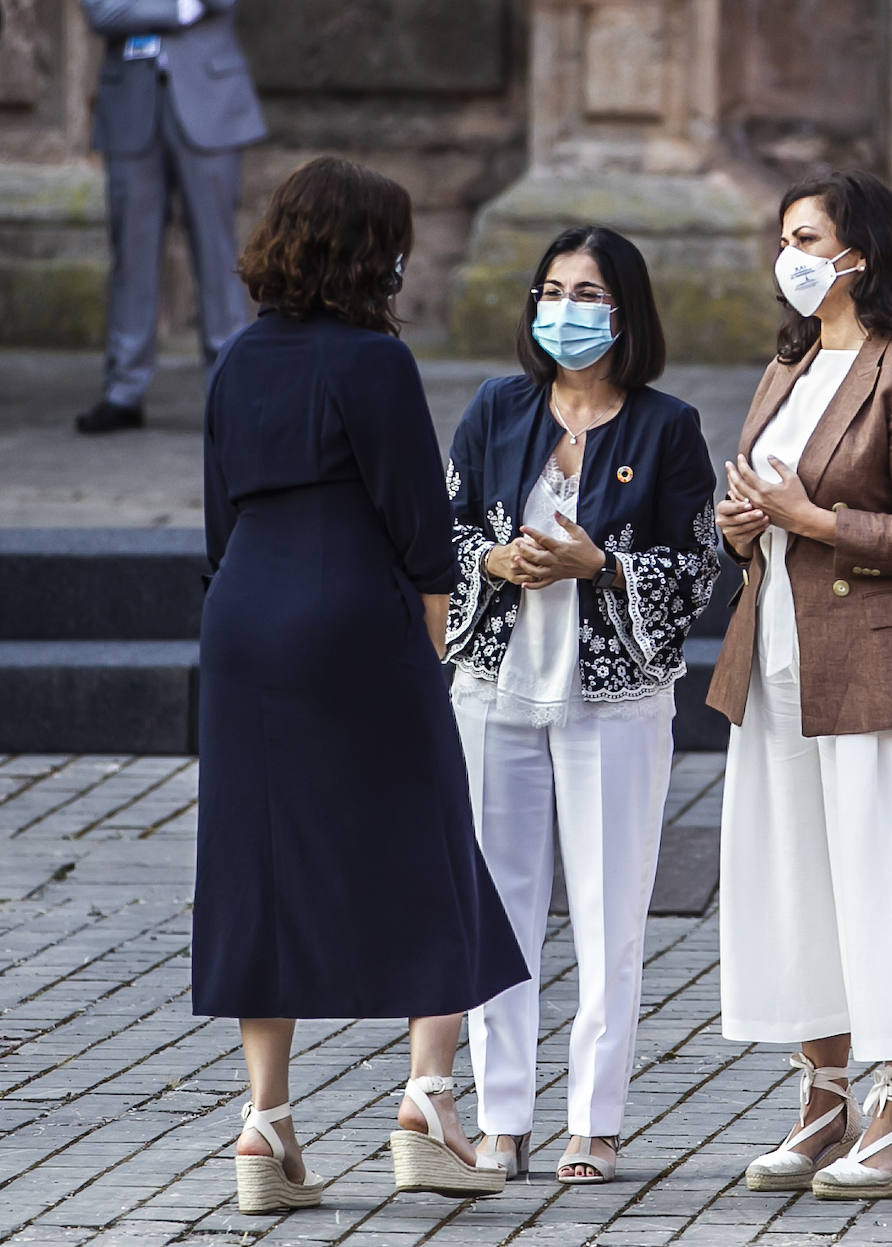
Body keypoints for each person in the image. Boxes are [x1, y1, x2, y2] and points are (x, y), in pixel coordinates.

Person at [192, 157, 527, 1215]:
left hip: (243, 618)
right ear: (368, 251)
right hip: (355, 618)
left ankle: (265, 1121)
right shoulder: (375, 361)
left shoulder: (234, 358)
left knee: (260, 856)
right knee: (430, 843)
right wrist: (432, 657)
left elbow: (216, 522)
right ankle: (430, 1100)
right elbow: (423, 533)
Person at [707, 169, 892, 1200]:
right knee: (797, 884)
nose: (792, 255)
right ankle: (822, 1100)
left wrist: (811, 517)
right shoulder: (785, 368)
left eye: (808, 235)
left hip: (886, 667)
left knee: (891, 879)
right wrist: (741, 523)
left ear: (860, 253)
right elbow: (757, 507)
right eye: (785, 236)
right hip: (780, 663)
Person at [444, 225, 718, 1185]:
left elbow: (697, 568)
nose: (566, 310)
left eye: (589, 293)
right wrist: (493, 558)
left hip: (614, 699)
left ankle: (595, 1121)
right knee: (496, 906)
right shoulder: (492, 409)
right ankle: (500, 1114)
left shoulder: (668, 426)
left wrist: (602, 565)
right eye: (552, 290)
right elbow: (440, 526)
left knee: (611, 911)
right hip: (497, 684)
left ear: (626, 310)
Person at [77, 0, 265, 434]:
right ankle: (123, 390)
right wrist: (178, 9)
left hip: (209, 99)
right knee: (131, 251)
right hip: (130, 103)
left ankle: (231, 387)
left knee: (219, 254)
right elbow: (102, 11)